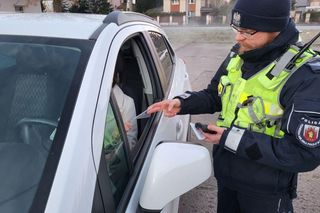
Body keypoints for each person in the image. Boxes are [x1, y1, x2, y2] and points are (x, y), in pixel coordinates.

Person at [147, 0, 320, 212]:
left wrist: (228, 138)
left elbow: (303, 154)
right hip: (226, 175)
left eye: (247, 32)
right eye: (237, 29)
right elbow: (215, 94)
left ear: (275, 29)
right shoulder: (240, 53)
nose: (238, 37)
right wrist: (182, 103)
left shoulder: (305, 75)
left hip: (265, 190)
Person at [104, 53, 138, 151]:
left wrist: (117, 137)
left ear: (116, 76)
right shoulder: (81, 97)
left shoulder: (127, 103)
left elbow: (131, 144)